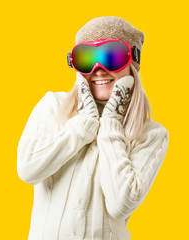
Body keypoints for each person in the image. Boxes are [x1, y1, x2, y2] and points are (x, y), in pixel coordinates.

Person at [16, 16, 169, 240]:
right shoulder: (52, 105)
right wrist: (83, 126)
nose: (98, 69)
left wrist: (110, 123)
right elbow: (28, 170)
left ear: (132, 62)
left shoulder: (151, 135)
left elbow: (121, 204)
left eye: (112, 57)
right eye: (87, 58)